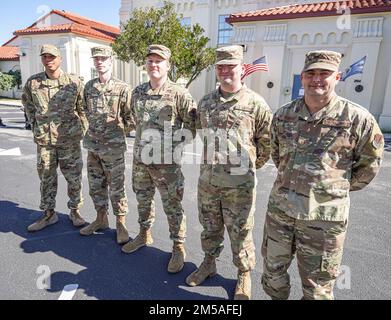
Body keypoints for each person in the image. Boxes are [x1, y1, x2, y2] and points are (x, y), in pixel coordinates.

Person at [261, 50, 384, 300]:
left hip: (324, 220)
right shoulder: (283, 115)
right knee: (273, 274)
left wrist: (334, 191)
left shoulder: (358, 119)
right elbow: (276, 154)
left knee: (317, 288)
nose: (317, 79)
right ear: (303, 77)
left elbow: (369, 165)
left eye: (324, 73)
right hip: (281, 213)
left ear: (337, 77)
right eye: (311, 73)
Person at [185, 45, 273, 300]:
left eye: (230, 66)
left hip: (239, 186)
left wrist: (245, 171)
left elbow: (266, 144)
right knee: (209, 227)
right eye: (220, 66)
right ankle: (209, 263)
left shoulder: (256, 104)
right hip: (209, 183)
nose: (225, 71)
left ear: (242, 69)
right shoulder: (206, 102)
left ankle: (243, 274)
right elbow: (200, 133)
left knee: (241, 231)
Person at [121, 44, 197, 274]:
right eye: (150, 61)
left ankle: (178, 246)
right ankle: (144, 234)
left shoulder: (179, 94)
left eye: (159, 61)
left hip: (167, 165)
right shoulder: (138, 92)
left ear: (168, 65)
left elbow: (192, 126)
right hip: (141, 160)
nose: (154, 65)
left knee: (172, 205)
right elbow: (134, 120)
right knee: (143, 199)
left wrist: (173, 147)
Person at [22, 44, 88, 232]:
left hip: (69, 140)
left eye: (52, 57)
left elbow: (83, 108)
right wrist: (35, 125)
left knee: (73, 177)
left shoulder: (73, 82)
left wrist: (82, 129)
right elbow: (27, 104)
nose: (48, 60)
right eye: (45, 57)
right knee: (46, 178)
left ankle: (75, 211)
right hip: (45, 142)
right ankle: (49, 214)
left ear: (60, 59)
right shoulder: (33, 83)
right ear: (42, 59)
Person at [79, 46, 133, 245]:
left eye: (103, 58)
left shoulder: (122, 88)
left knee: (117, 188)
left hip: (114, 149)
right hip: (93, 146)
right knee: (96, 185)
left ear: (111, 60)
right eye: (96, 59)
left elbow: (131, 118)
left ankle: (121, 224)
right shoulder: (89, 87)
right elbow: (84, 111)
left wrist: (116, 135)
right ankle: (101, 219)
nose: (99, 62)